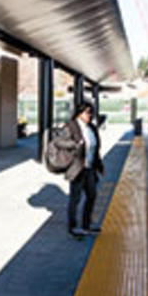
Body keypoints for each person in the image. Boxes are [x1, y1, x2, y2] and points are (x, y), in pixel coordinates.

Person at [59, 101, 103, 238]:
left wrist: (100, 166)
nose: (90, 115)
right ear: (80, 113)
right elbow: (58, 142)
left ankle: (86, 225)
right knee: (75, 198)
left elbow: (96, 149)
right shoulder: (71, 126)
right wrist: (74, 143)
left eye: (92, 112)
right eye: (87, 112)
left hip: (90, 168)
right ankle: (73, 227)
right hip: (77, 168)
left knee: (92, 195)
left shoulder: (92, 128)